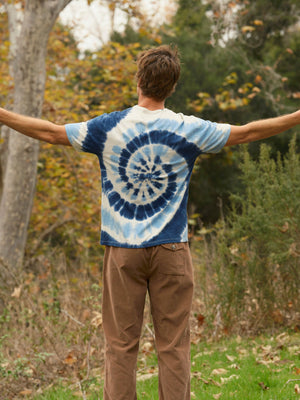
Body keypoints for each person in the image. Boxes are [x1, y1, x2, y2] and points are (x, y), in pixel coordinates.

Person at [0, 45, 299, 400]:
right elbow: (248, 132)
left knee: (120, 347)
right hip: (172, 250)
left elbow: (49, 132)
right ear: (172, 87)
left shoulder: (107, 128)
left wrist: (2, 113)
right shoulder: (189, 129)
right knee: (173, 347)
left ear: (139, 79)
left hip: (122, 254)